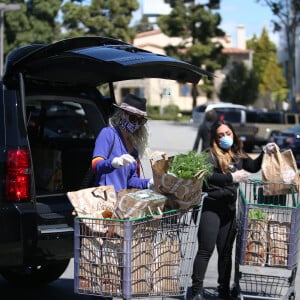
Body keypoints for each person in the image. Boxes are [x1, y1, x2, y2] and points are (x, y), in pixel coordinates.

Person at [190, 120, 276, 300]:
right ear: (215, 138)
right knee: (206, 250)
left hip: (229, 210)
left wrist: (264, 152)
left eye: (228, 133)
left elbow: (252, 167)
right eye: (220, 135)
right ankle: (196, 290)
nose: (225, 137)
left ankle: (223, 289)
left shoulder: (237, 154)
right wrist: (231, 177)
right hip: (211, 208)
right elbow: (207, 175)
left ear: (233, 134)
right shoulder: (209, 154)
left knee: (226, 251)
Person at [91, 93, 152, 193]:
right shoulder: (108, 134)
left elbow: (130, 181)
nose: (136, 123)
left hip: (122, 202)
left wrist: (149, 183)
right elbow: (95, 165)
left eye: (141, 120)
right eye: (133, 118)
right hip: (105, 201)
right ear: (122, 114)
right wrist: (114, 163)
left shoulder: (134, 148)